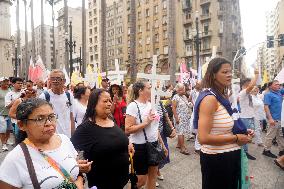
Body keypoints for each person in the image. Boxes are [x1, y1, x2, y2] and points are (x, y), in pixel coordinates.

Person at [0, 98, 86, 189]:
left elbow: (76, 171)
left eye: (51, 117)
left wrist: (80, 176)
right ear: (22, 125)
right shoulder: (15, 159)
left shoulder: (64, 140)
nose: (49, 123)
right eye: (40, 119)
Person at [196, 57, 253, 189]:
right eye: (224, 72)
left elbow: (225, 124)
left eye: (230, 72)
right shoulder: (209, 99)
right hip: (217, 159)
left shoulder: (223, 95)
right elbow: (203, 138)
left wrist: (243, 132)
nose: (229, 75)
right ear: (213, 75)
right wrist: (236, 138)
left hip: (230, 155)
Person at [71, 89, 133, 189]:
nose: (109, 103)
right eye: (105, 101)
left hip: (121, 182)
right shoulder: (85, 128)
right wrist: (79, 163)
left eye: (110, 101)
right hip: (101, 183)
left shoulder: (111, 119)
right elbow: (70, 150)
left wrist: (127, 143)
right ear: (94, 104)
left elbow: (116, 137)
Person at [125, 80, 167, 189]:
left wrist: (162, 144)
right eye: (149, 87)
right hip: (139, 147)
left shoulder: (151, 105)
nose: (151, 90)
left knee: (152, 177)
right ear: (141, 91)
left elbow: (154, 128)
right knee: (140, 181)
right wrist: (146, 123)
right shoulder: (133, 106)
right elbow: (128, 129)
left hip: (153, 144)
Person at [39, 69, 75, 138]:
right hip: (51, 135)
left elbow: (71, 116)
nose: (55, 81)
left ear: (64, 81)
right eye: (52, 78)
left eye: (58, 79)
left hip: (67, 136)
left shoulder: (69, 95)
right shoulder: (44, 96)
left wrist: (73, 135)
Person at [238, 71, 259, 160]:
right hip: (244, 118)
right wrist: (256, 75)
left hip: (249, 117)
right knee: (245, 136)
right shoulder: (243, 92)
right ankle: (244, 153)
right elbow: (251, 86)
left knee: (249, 135)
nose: (252, 85)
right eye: (250, 83)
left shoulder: (247, 93)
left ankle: (243, 152)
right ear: (246, 84)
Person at [263, 80, 284, 158]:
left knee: (280, 136)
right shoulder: (268, 95)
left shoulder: (279, 92)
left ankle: (281, 151)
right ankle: (266, 150)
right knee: (270, 135)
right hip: (273, 119)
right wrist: (270, 118)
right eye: (276, 84)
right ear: (270, 86)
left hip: (280, 119)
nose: (278, 86)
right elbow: (266, 107)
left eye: (279, 84)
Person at [172, 83, 191, 155]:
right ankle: (182, 148)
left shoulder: (184, 96)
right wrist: (176, 118)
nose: (182, 91)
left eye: (183, 89)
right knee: (181, 132)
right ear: (177, 91)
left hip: (184, 117)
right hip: (179, 117)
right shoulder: (175, 97)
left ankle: (178, 144)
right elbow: (173, 108)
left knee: (182, 131)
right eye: (180, 90)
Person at [5, 77, 23, 142]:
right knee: (18, 137)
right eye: (18, 83)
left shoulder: (25, 92)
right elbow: (7, 106)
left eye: (21, 83)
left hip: (24, 119)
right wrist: (18, 99)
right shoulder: (9, 94)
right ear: (13, 84)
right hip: (14, 119)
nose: (20, 85)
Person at [0, 77, 12, 151]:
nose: (6, 83)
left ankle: (6, 141)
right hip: (1, 114)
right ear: (1, 83)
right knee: (2, 129)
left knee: (9, 129)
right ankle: (3, 144)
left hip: (9, 113)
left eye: (7, 82)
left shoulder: (10, 91)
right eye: (4, 82)